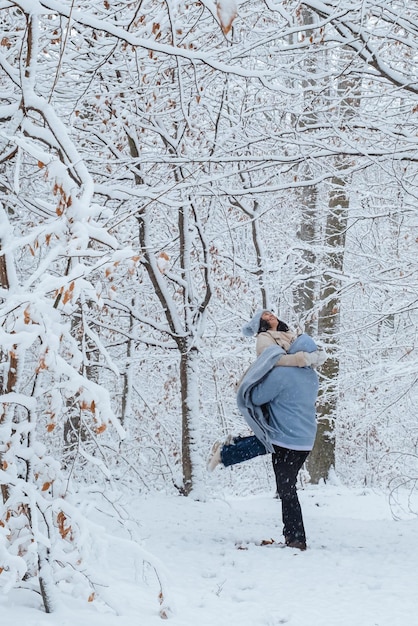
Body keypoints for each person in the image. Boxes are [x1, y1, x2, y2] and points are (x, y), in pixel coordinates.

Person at [207, 309, 325, 550]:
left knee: (285, 485)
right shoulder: (312, 377)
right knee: (284, 481)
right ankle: (295, 537)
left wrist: (252, 388)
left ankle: (296, 538)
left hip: (286, 437)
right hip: (305, 440)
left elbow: (258, 397)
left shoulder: (282, 374)